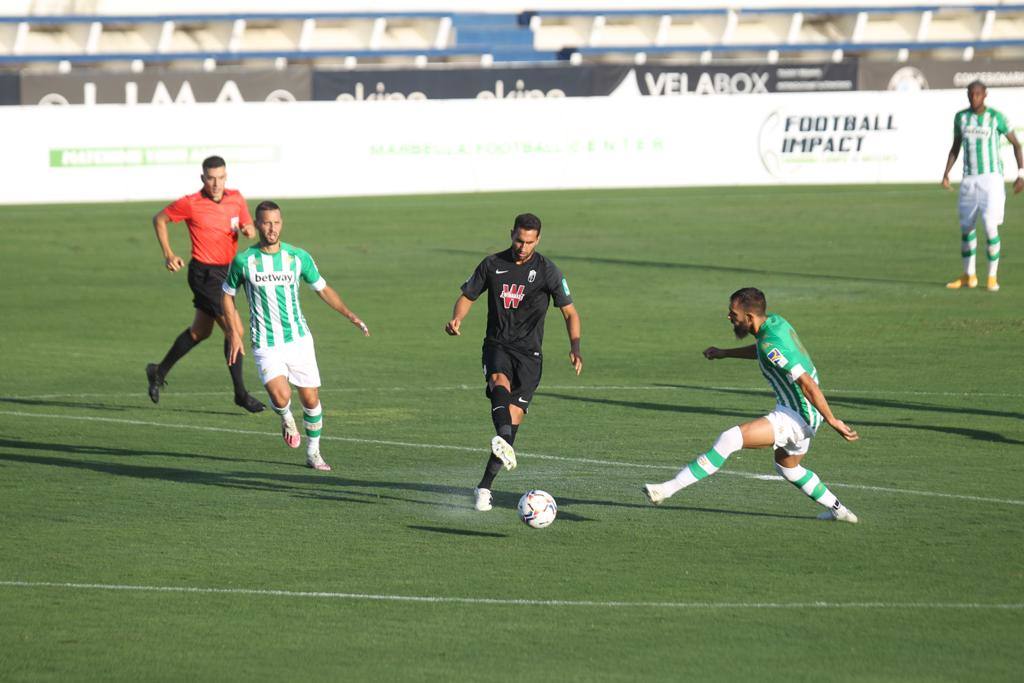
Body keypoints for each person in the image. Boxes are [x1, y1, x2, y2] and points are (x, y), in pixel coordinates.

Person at [642, 288, 860, 523]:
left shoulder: (770, 344)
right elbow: (763, 351)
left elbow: (807, 384)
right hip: (806, 413)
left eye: (733, 314)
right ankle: (840, 510)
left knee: (730, 438)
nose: (729, 317)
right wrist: (725, 353)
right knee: (787, 467)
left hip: (797, 414)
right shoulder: (774, 323)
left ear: (750, 317)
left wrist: (833, 420)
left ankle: (665, 490)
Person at [445, 212, 583, 512]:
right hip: (498, 345)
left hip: (530, 356)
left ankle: (484, 486)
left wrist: (575, 347)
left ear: (538, 240)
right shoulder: (492, 265)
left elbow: (570, 312)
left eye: (529, 242)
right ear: (511, 234)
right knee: (498, 382)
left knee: (513, 419)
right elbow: (467, 296)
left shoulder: (547, 270)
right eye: (519, 240)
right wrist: (457, 318)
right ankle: (503, 438)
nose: (523, 247)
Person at [222, 200, 369, 471]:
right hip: (265, 342)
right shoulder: (244, 261)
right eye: (266, 222)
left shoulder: (297, 257)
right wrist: (233, 332)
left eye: (276, 222)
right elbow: (227, 295)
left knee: (311, 398)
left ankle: (313, 453)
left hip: (298, 340)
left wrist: (349, 314)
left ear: (282, 223)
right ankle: (286, 417)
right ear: (256, 224)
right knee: (280, 397)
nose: (271, 228)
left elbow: (323, 288)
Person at [145, 155, 265, 412]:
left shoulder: (236, 198)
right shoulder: (191, 203)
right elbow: (159, 219)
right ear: (203, 178)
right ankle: (240, 394)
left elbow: (247, 225)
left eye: (220, 178)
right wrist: (168, 254)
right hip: (204, 274)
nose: (216, 183)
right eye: (211, 178)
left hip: (228, 273)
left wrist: (248, 230)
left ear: (226, 177)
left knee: (200, 331)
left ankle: (158, 371)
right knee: (235, 331)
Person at [941, 80, 1024, 293]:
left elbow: (1016, 144)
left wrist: (1021, 174)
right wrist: (946, 172)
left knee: (989, 225)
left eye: (978, 94)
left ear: (985, 95)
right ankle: (969, 276)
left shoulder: (996, 117)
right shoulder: (960, 117)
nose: (974, 97)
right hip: (969, 179)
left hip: (991, 179)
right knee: (966, 227)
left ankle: (992, 276)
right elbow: (956, 146)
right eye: (971, 94)